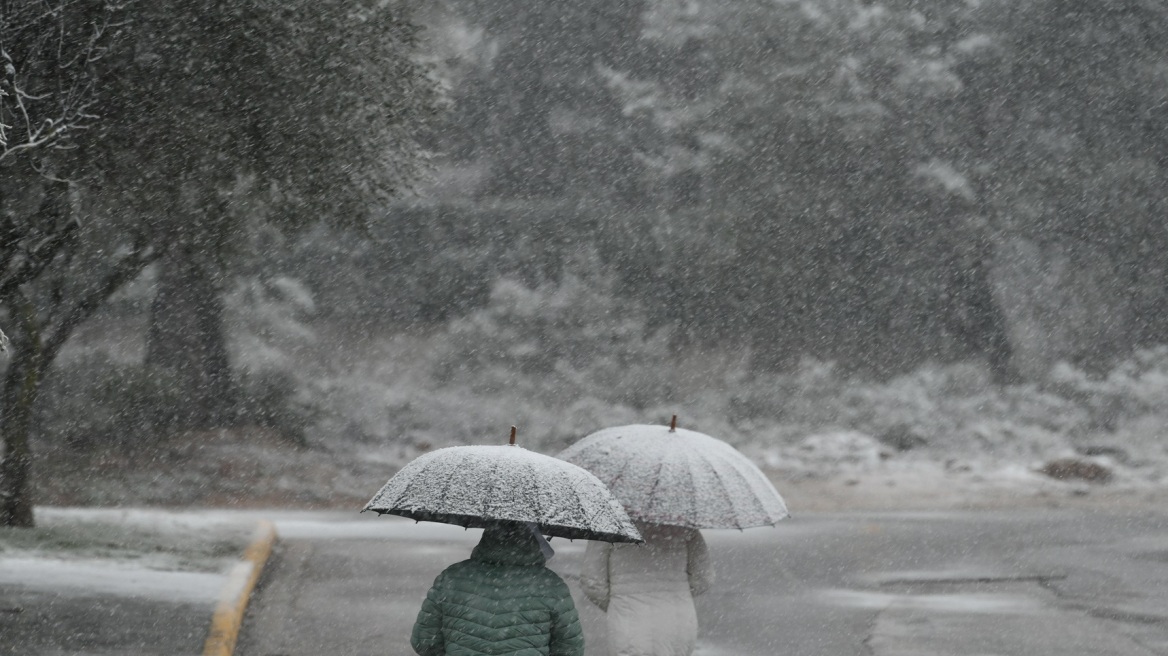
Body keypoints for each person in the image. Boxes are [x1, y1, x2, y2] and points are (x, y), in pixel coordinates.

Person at [411, 522, 584, 656]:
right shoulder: (551, 584)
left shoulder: (451, 576)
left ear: (487, 536)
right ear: (534, 540)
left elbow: (424, 642)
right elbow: (570, 649)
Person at [579, 521, 712, 656]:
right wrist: (677, 595)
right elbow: (703, 579)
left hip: (628, 624)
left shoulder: (607, 526)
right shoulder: (685, 527)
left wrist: (618, 603)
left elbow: (592, 583)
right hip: (677, 623)